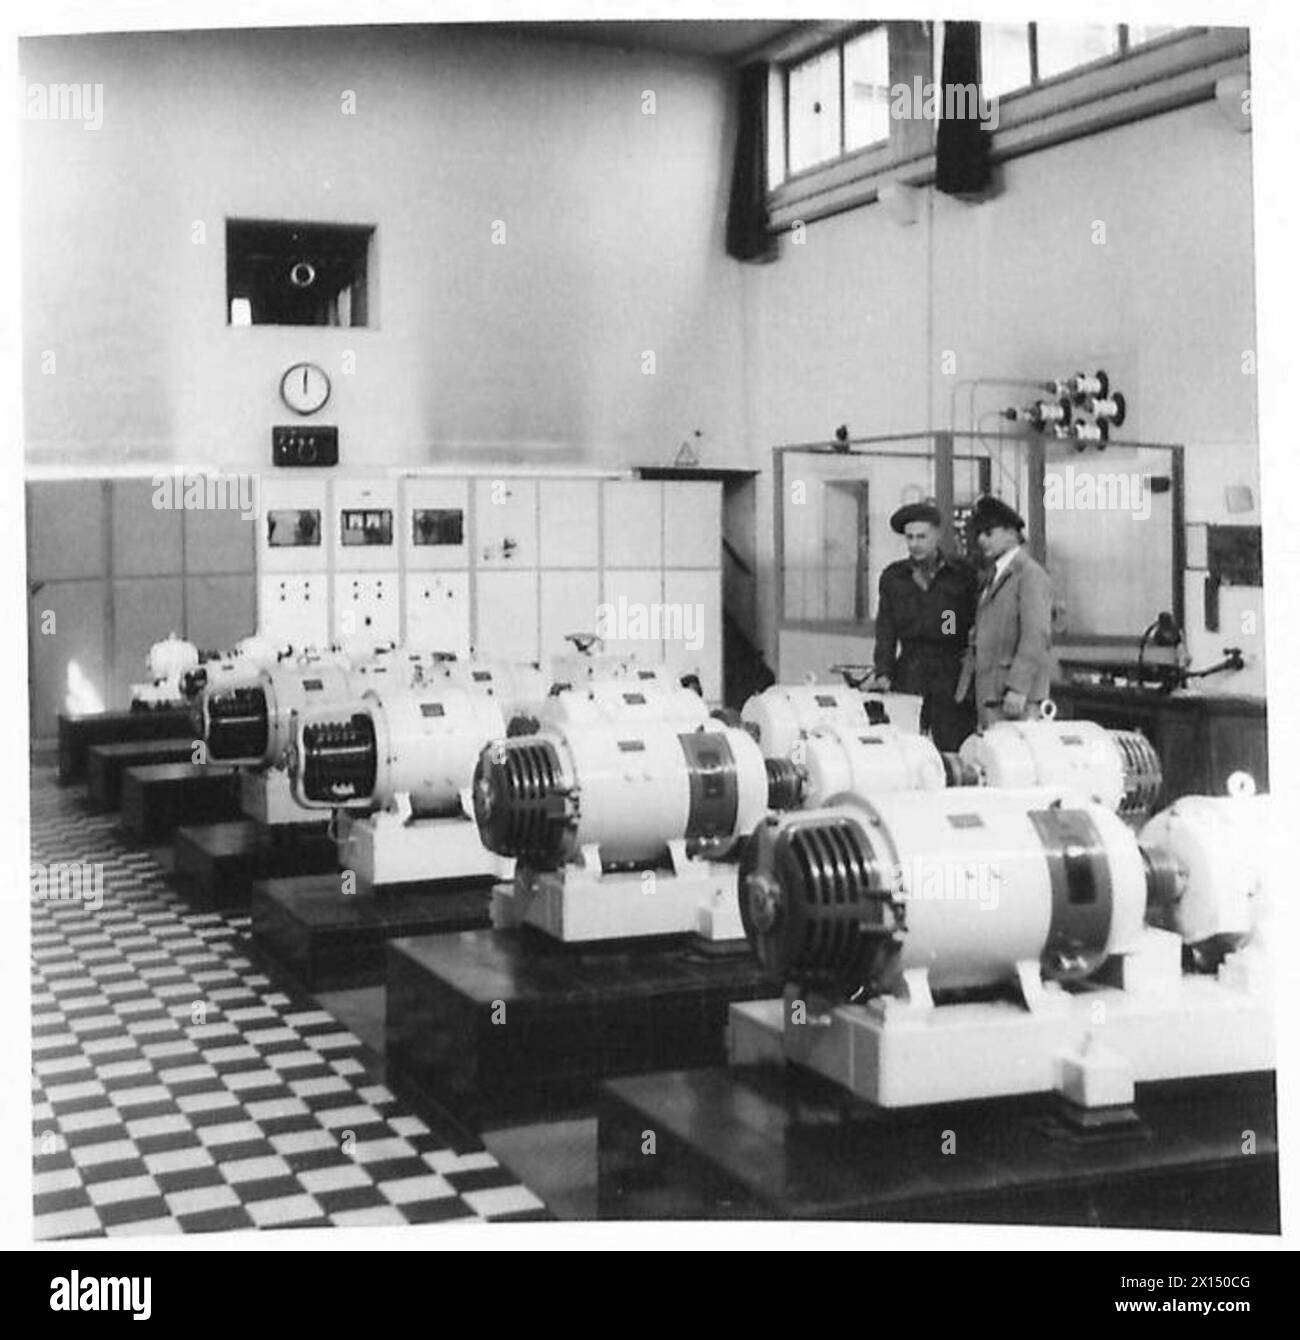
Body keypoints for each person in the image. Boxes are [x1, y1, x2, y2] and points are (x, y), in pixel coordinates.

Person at [870, 500, 978, 752]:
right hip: (910, 669)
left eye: (921, 536)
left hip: (950, 673)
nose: (915, 544)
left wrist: (948, 630)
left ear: (937, 535)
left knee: (951, 744)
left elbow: (968, 621)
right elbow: (885, 628)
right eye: (909, 538)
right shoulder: (894, 578)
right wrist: (883, 671)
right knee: (905, 743)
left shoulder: (961, 574)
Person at [955, 496, 1054, 728]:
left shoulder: (1029, 575)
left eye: (989, 533)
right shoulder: (993, 575)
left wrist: (1018, 687)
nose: (981, 540)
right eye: (978, 533)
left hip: (1014, 698)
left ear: (1012, 532)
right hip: (991, 694)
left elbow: (1036, 634)